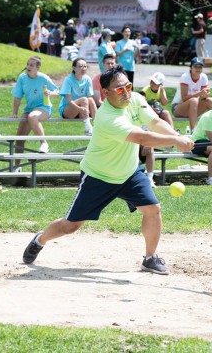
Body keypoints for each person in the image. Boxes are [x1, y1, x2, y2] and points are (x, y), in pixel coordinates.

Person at [22, 65, 194, 275]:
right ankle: (40, 239)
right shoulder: (107, 118)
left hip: (129, 173)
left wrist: (175, 135)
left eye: (128, 86)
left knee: (153, 209)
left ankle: (150, 258)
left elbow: (156, 121)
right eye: (120, 89)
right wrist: (176, 141)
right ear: (105, 93)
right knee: (71, 226)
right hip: (98, 176)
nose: (126, 92)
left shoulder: (136, 100)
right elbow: (142, 138)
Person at [11, 56, 59, 161]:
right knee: (19, 140)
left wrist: (50, 93)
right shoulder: (22, 78)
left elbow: (57, 91)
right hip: (29, 109)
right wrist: (15, 113)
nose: (28, 66)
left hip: (44, 108)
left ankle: (44, 143)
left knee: (32, 117)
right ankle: (17, 167)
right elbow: (17, 97)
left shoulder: (43, 78)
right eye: (27, 64)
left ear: (38, 67)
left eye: (31, 65)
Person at [171, 57, 212, 131]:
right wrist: (200, 93)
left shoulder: (204, 77)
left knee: (210, 101)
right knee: (194, 100)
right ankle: (194, 131)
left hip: (194, 108)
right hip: (178, 107)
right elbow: (184, 98)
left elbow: (202, 98)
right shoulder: (185, 77)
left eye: (200, 67)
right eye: (195, 66)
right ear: (190, 67)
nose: (198, 69)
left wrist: (205, 95)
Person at [58, 58, 97, 136]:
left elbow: (90, 98)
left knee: (90, 100)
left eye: (85, 66)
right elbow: (68, 100)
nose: (83, 68)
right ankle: (88, 128)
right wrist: (80, 109)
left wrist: (83, 109)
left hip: (82, 110)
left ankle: (98, 126)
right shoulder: (68, 80)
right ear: (74, 68)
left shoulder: (87, 79)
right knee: (84, 100)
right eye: (80, 66)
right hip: (67, 110)